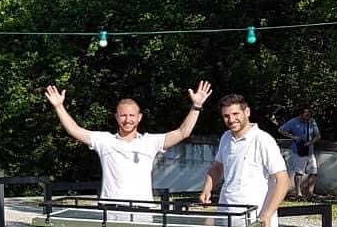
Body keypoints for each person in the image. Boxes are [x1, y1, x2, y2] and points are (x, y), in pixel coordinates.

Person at [44, 81, 213, 205]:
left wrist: (196, 106)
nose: (127, 120)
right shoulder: (104, 140)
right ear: (117, 117)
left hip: (143, 210)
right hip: (110, 210)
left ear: (139, 118)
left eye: (132, 116)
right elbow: (74, 130)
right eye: (123, 115)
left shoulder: (150, 141)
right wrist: (59, 106)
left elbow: (183, 132)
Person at [199, 94, 290, 227]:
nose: (231, 120)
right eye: (226, 116)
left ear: (247, 112)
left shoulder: (262, 140)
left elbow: (283, 180)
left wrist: (266, 215)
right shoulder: (226, 138)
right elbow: (218, 167)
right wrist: (208, 185)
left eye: (235, 114)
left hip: (255, 222)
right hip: (227, 220)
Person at [278, 108, 320, 200]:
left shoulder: (312, 122)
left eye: (309, 115)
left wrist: (311, 142)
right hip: (297, 149)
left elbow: (318, 136)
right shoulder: (293, 122)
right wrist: (293, 137)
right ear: (300, 115)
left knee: (313, 171)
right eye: (305, 115)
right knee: (299, 172)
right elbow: (281, 129)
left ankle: (310, 193)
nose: (307, 118)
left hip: (309, 150)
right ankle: (298, 194)